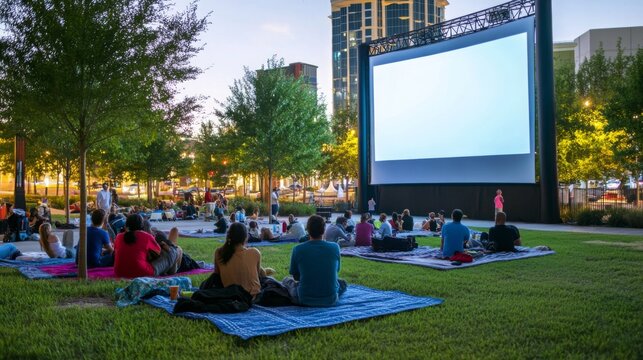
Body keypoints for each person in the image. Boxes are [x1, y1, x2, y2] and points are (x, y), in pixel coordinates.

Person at [283, 215, 347, 307]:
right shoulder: (335, 247)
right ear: (324, 230)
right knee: (342, 283)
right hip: (331, 298)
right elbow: (337, 271)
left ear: (308, 230)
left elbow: (296, 277)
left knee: (287, 280)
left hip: (304, 298)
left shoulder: (298, 249)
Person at [114, 214, 182, 278]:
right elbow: (158, 252)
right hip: (143, 273)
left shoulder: (118, 237)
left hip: (119, 273)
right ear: (142, 226)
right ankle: (171, 269)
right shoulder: (146, 236)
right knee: (173, 250)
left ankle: (170, 269)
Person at [214, 223, 269, 301]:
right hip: (252, 296)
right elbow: (258, 275)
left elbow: (216, 276)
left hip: (230, 295)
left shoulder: (219, 252)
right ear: (245, 237)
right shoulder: (254, 252)